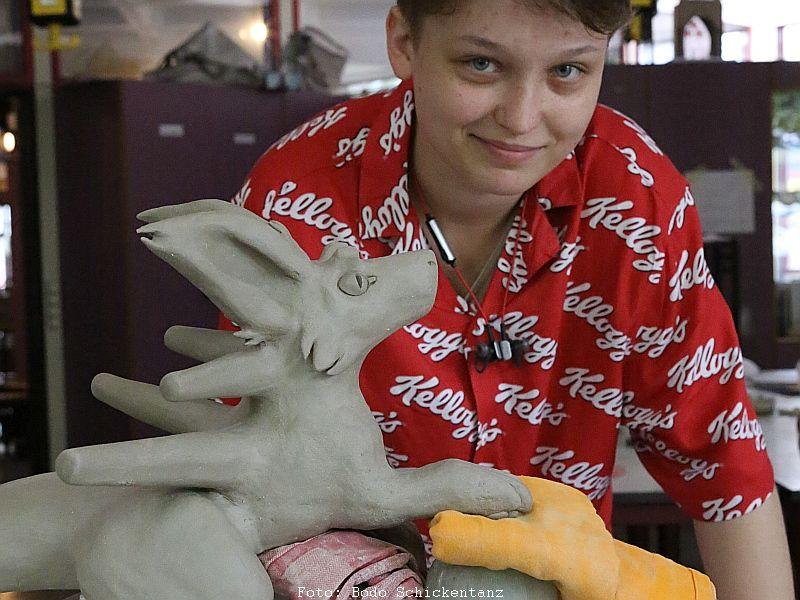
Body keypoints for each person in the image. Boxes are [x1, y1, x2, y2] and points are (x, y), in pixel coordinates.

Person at [225, 1, 795, 597]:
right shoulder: (295, 200)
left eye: (567, 71)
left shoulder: (635, 198)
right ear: (404, 43)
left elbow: (722, 463)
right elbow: (246, 477)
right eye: (481, 64)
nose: (522, 119)